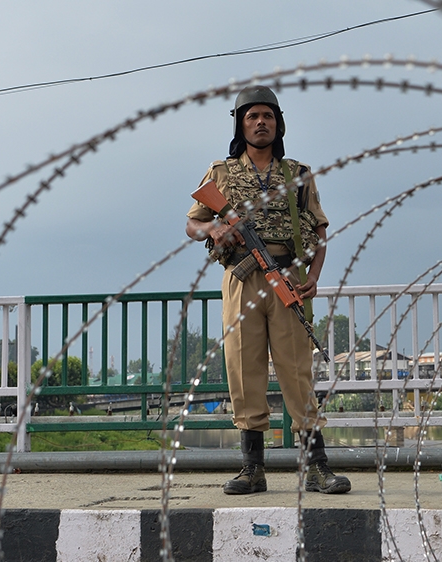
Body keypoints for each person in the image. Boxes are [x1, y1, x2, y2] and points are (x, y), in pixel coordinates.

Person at [185, 85, 350, 495]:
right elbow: (192, 224)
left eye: (268, 116)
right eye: (252, 116)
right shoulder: (220, 173)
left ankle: (316, 466)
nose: (261, 123)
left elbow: (320, 229)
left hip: (288, 277)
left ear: (279, 124)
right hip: (242, 279)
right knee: (244, 369)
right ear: (241, 124)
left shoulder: (298, 173)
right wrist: (216, 228)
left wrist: (313, 276)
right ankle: (252, 468)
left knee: (297, 370)